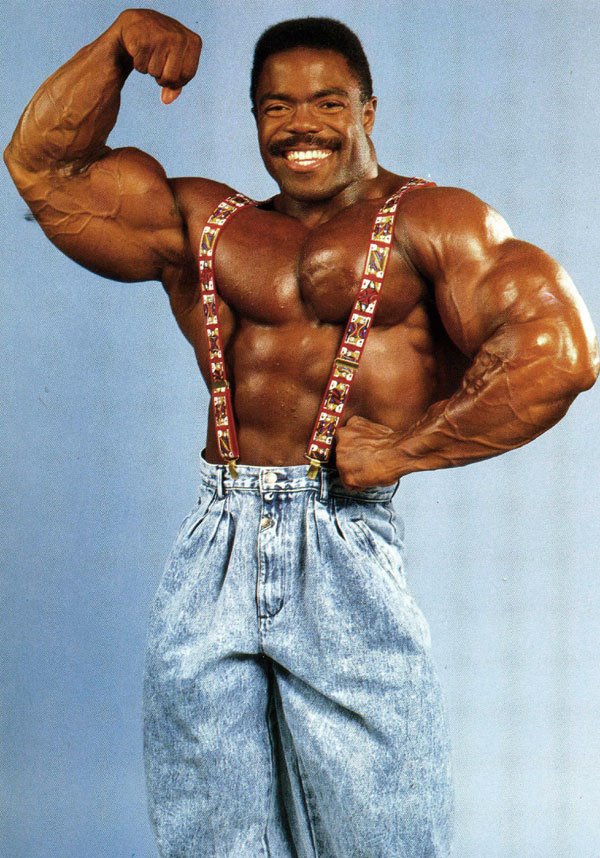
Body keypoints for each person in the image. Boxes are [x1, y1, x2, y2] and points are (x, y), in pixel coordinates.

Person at [4, 8, 598, 858]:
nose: (301, 125)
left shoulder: (436, 222)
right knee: (210, 833)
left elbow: (560, 354)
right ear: (254, 119)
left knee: (385, 832)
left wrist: (403, 451)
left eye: (327, 103)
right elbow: (43, 169)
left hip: (343, 537)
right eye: (277, 107)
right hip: (214, 542)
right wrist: (118, 46)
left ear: (368, 112)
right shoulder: (207, 223)